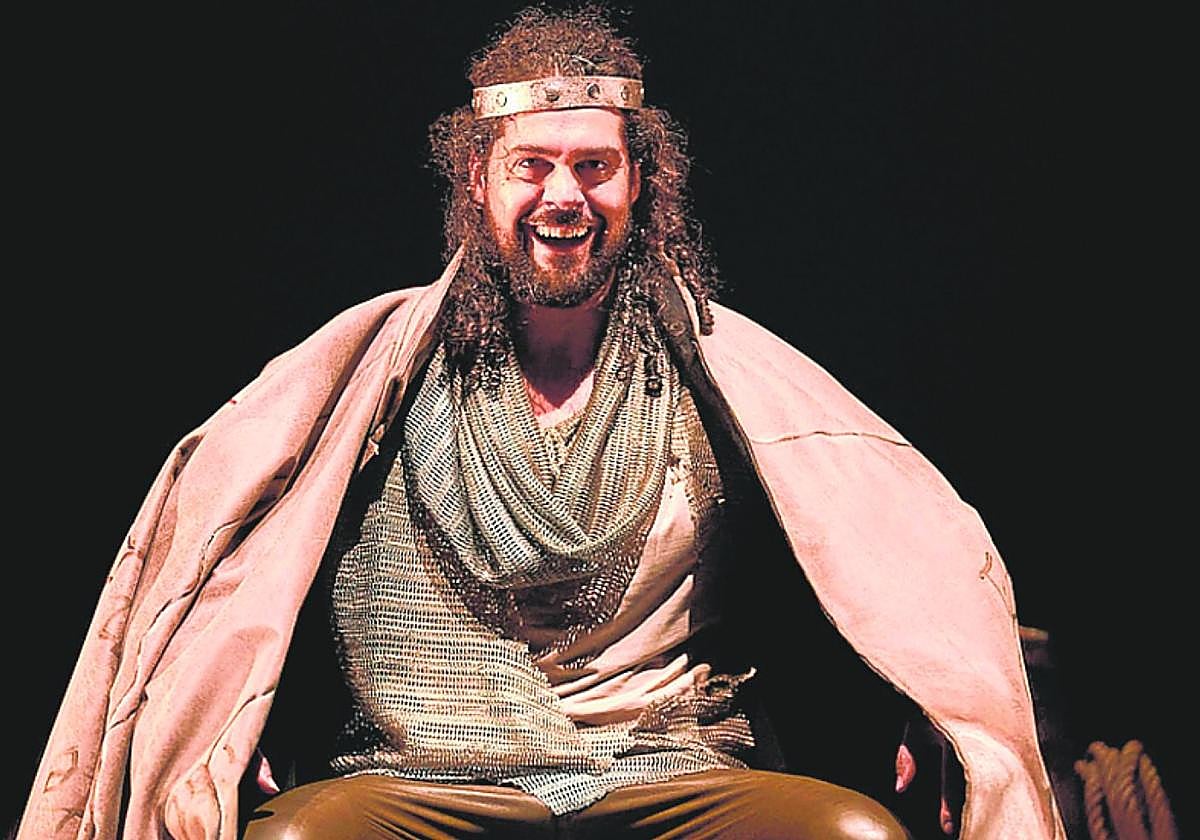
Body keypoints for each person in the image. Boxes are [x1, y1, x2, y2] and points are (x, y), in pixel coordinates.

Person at [18, 8, 1066, 839]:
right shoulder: (379, 377)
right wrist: (231, 716)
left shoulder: (723, 373)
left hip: (665, 764)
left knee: (851, 835)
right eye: (532, 165)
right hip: (422, 768)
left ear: (639, 181)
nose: (564, 195)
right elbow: (249, 562)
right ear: (479, 178)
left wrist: (924, 704)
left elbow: (879, 551)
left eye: (594, 166)